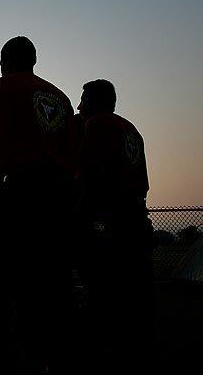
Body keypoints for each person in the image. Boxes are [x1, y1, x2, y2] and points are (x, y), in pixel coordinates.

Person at [0, 36, 79, 373]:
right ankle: (55, 347)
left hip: (22, 189)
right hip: (60, 194)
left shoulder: (5, 87)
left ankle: (0, 349)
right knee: (52, 271)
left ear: (6, 60)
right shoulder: (60, 98)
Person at [76, 79, 154, 373]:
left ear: (96, 101)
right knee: (134, 293)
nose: (80, 105)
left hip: (109, 220)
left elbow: (90, 176)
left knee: (103, 289)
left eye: (83, 99)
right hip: (134, 217)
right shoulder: (131, 130)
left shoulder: (97, 126)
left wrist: (80, 217)